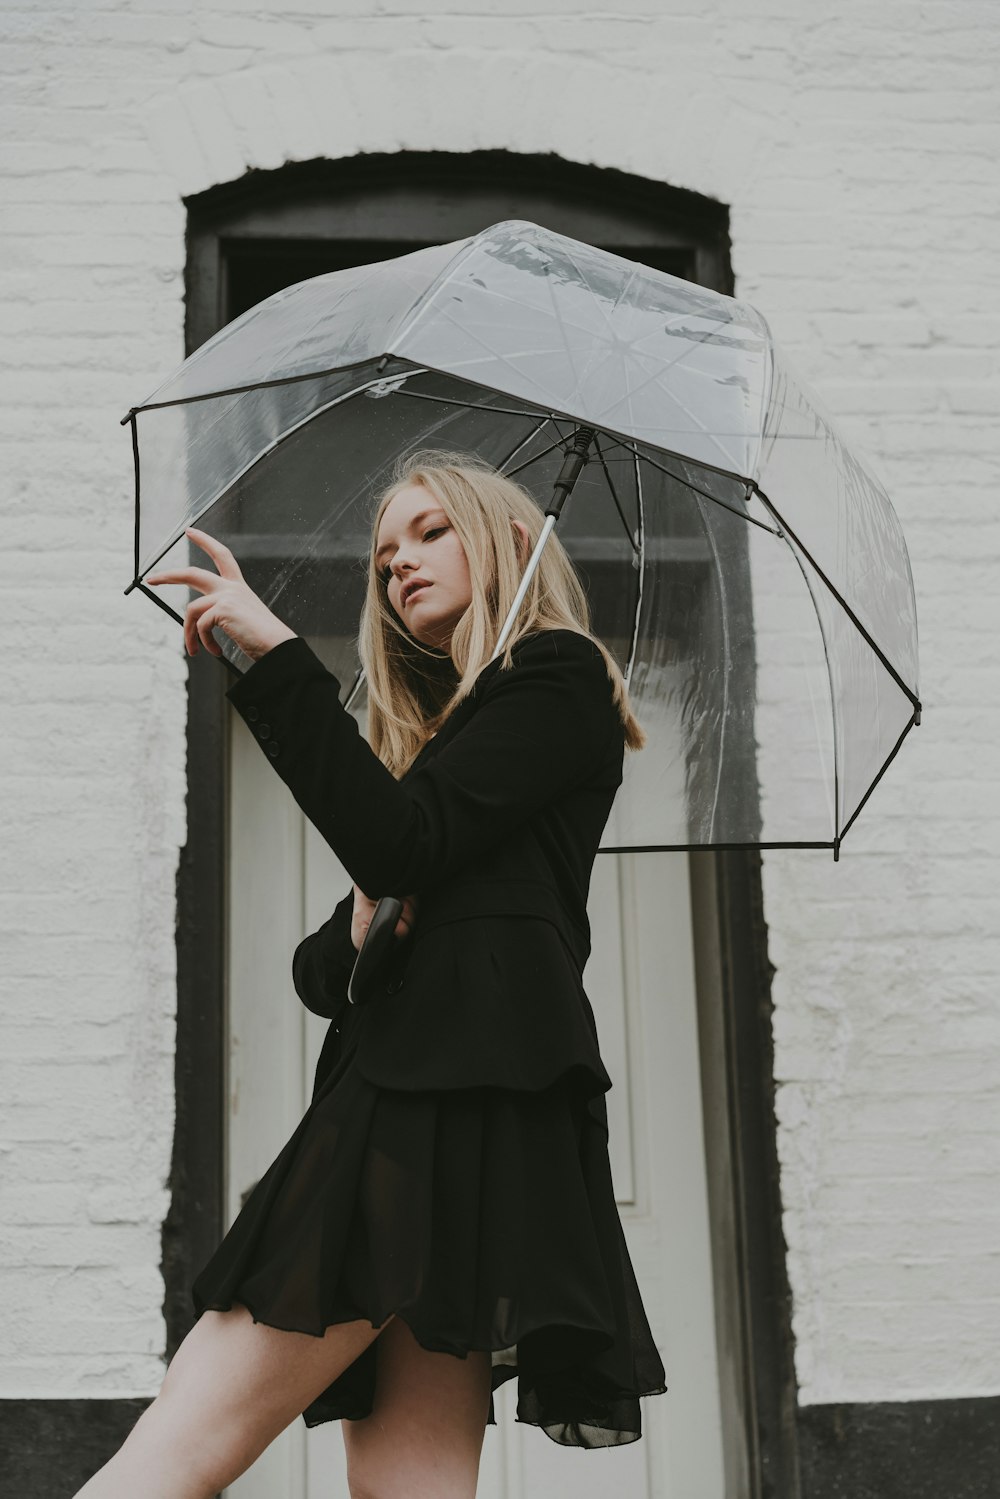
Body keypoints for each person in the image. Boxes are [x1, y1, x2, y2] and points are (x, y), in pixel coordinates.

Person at [77, 451, 666, 1499]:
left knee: (167, 1458)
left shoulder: (557, 675)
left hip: (427, 1104)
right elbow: (323, 961)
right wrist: (362, 924)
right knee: (408, 1488)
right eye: (386, 554)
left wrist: (271, 654)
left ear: (512, 541)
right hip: (468, 1106)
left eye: (431, 532)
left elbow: (394, 850)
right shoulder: (468, 736)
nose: (400, 565)